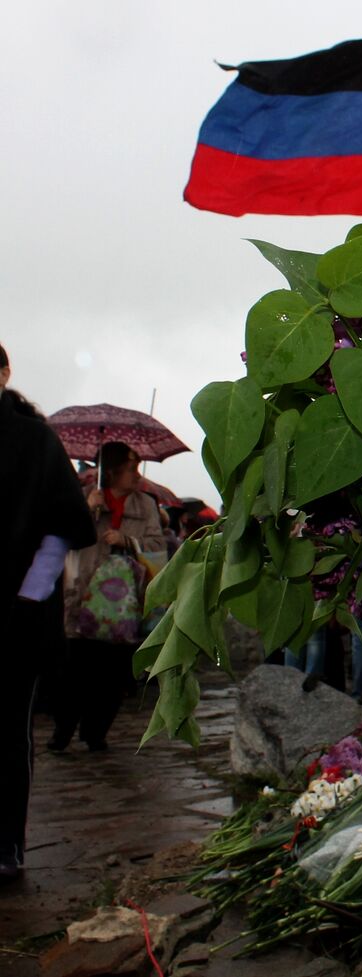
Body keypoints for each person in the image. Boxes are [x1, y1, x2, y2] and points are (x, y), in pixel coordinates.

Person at [0, 343, 95, 881]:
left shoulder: (34, 440)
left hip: (16, 613)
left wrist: (29, 596)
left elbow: (63, 527)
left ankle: (5, 843)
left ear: (4, 373)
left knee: (8, 730)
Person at [53, 441, 164, 752]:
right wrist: (88, 510)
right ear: (111, 471)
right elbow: (64, 536)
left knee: (112, 674)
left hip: (123, 604)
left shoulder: (146, 505)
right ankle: (62, 731)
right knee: (74, 671)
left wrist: (127, 540)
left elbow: (158, 546)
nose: (136, 475)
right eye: (130, 469)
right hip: (82, 596)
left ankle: (96, 732)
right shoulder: (85, 497)